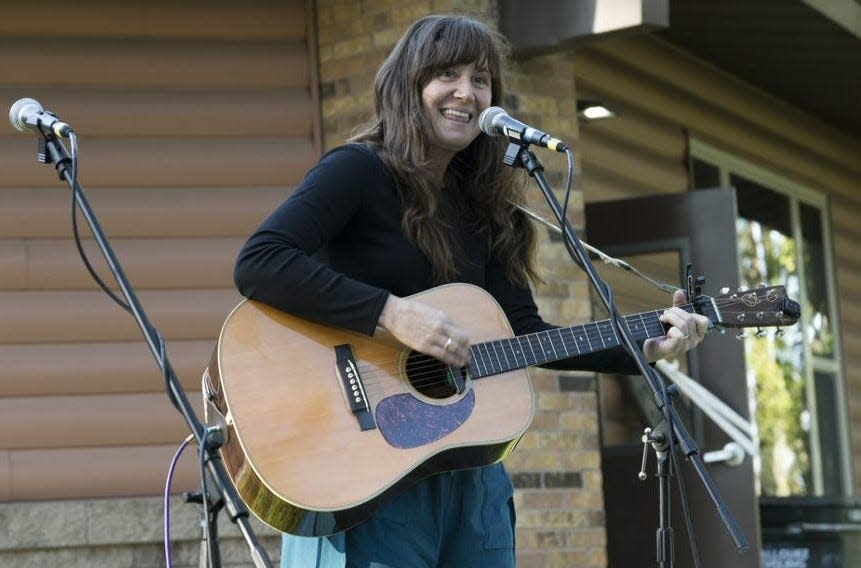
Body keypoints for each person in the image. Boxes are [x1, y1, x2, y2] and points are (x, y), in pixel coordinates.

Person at [234, 13, 709, 568]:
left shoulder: (491, 212)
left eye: (481, 79)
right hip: (365, 475)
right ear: (410, 86)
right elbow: (260, 260)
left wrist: (645, 347)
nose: (466, 92)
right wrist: (391, 315)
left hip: (470, 483)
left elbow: (527, 335)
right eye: (448, 75)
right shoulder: (357, 172)